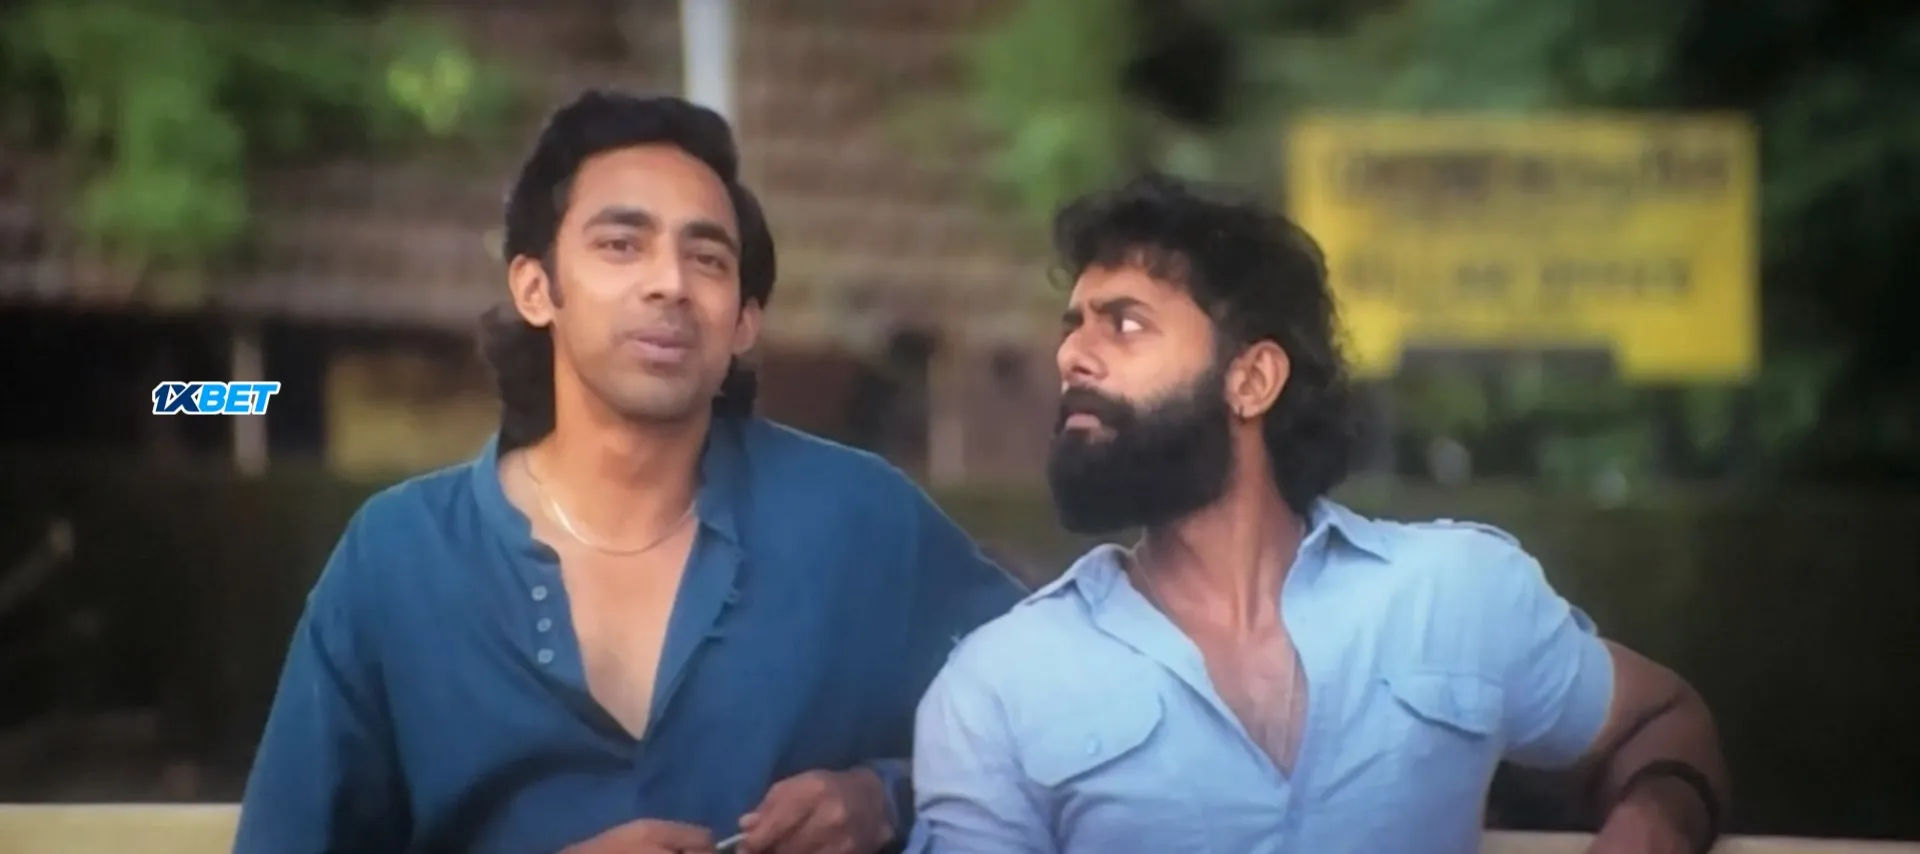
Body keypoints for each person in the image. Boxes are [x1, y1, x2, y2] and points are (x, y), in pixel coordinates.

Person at [234, 91, 1024, 854]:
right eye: (621, 244)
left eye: (707, 258)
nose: (669, 282)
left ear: (743, 321)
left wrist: (889, 799)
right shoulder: (398, 558)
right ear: (536, 288)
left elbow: (1052, 724)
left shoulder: (861, 522)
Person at [909, 174, 1729, 854]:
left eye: (1125, 324)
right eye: (1073, 328)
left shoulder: (1455, 595)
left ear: (1253, 380)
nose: (1072, 356)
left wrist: (1652, 825)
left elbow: (1661, 721)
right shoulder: (999, 685)